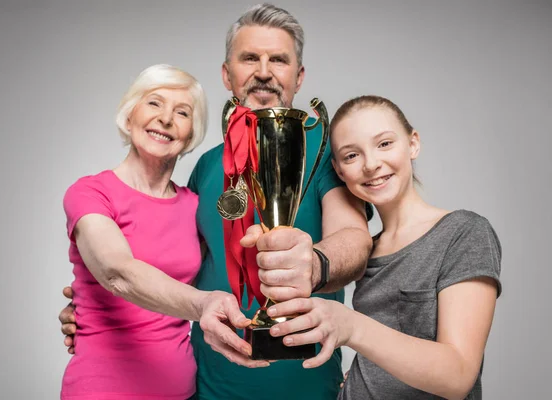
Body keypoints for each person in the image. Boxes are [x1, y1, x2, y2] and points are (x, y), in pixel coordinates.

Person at [60, 4, 374, 399]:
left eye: (278, 59)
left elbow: (354, 239)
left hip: (306, 388)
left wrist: (313, 264)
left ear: (299, 76)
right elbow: (169, 266)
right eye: (249, 58)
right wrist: (91, 303)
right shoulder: (206, 167)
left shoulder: (326, 150)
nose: (264, 71)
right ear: (227, 75)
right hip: (205, 390)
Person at [267, 95, 502, 399]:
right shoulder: (368, 252)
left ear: (413, 143)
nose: (371, 164)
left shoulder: (464, 233)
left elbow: (457, 376)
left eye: (385, 144)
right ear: (339, 171)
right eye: (352, 156)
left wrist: (351, 327)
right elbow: (381, 357)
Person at [60, 64, 268, 400]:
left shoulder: (195, 206)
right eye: (154, 103)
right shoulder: (90, 193)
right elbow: (118, 273)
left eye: (182, 112)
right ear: (130, 117)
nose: (166, 118)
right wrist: (202, 305)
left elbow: (223, 270)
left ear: (190, 136)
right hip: (102, 389)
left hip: (183, 391)